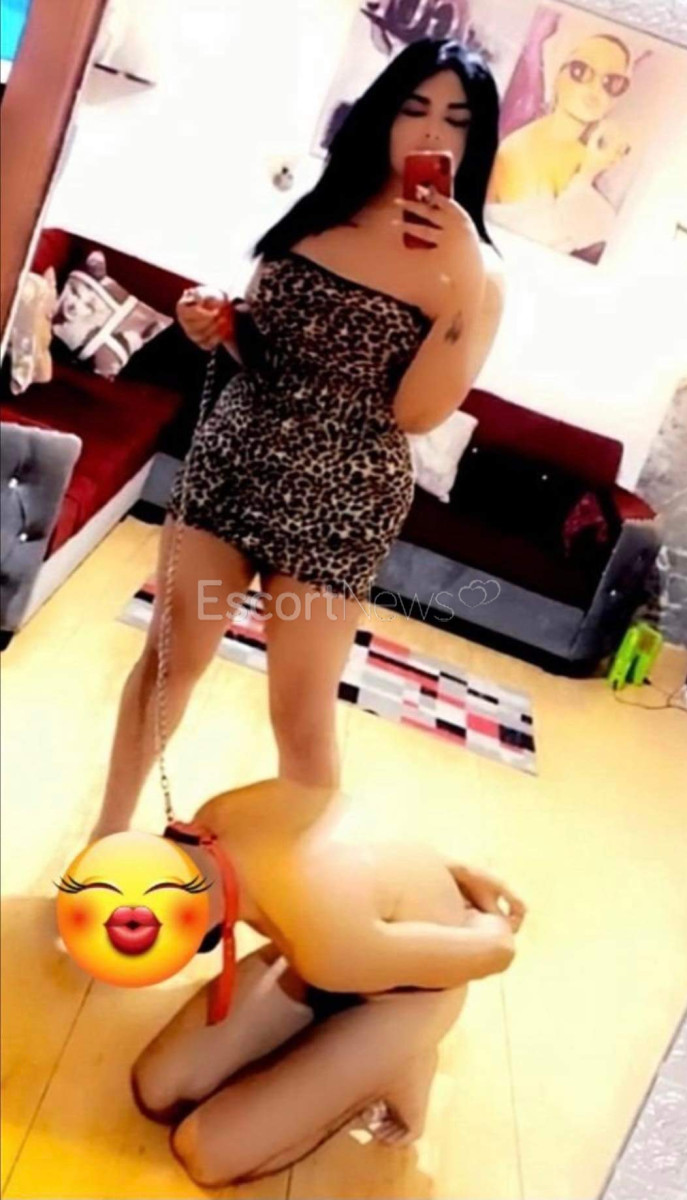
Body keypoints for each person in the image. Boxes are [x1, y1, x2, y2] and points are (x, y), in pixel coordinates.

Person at [90, 37, 506, 842]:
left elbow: (417, 414)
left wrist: (462, 284)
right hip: (235, 459)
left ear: (477, 139)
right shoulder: (322, 207)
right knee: (167, 662)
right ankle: (103, 844)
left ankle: (310, 896)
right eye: (415, 107)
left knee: (302, 712)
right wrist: (220, 323)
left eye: (456, 119)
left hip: (343, 500)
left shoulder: (479, 270)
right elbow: (264, 343)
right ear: (384, 112)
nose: (431, 132)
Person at [130, 776, 527, 1187]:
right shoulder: (216, 821)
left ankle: (405, 1061)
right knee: (158, 1088)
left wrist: (483, 915)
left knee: (206, 1153)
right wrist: (449, 869)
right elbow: (338, 837)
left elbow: (496, 950)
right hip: (326, 951)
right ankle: (333, 1042)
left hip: (409, 997)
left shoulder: (331, 942)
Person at [486, 33, 633, 257]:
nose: (596, 89)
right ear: (556, 74)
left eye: (612, 83)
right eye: (581, 71)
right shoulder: (521, 150)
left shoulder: (590, 154)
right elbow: (534, 247)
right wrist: (586, 176)